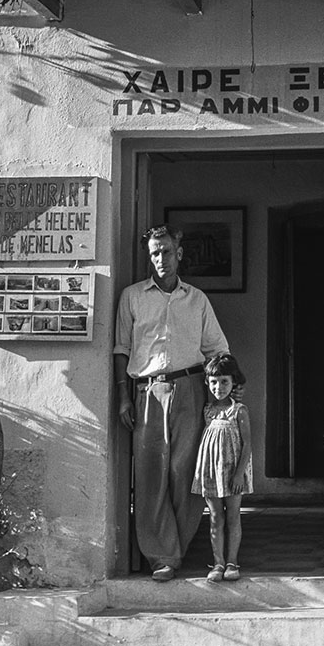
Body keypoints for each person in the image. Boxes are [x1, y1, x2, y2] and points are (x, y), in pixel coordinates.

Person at [114, 224, 230, 581]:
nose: (160, 259)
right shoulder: (132, 297)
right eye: (154, 253)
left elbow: (218, 349)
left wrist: (223, 395)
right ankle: (161, 556)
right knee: (150, 476)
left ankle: (178, 545)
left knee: (186, 473)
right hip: (147, 392)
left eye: (165, 251)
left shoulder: (196, 299)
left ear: (178, 254)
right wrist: (123, 397)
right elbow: (121, 349)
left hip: (190, 387)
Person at [191, 352, 252, 582]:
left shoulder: (239, 411)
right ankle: (217, 562)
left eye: (224, 382)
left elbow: (247, 445)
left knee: (233, 516)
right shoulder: (207, 410)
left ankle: (232, 561)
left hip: (232, 472)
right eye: (214, 382)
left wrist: (239, 474)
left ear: (233, 382)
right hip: (211, 472)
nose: (219, 387)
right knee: (215, 517)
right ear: (207, 383)